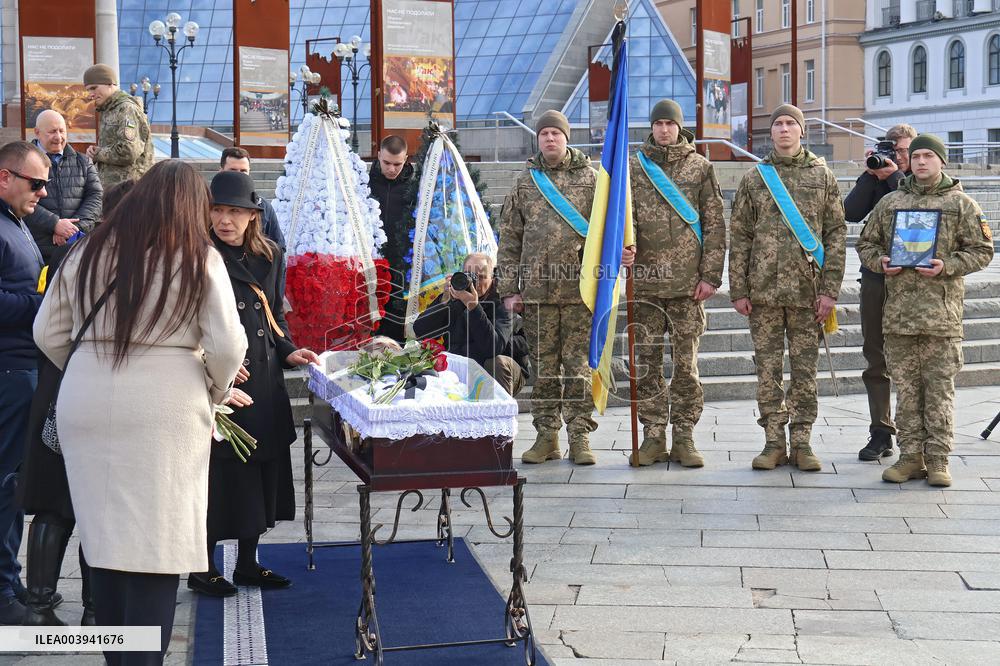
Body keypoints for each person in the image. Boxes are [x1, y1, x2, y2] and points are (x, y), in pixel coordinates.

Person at [33, 160, 247, 664]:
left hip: (85, 401)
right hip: (164, 406)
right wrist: (213, 392)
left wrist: (90, 367)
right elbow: (227, 345)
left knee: (103, 538)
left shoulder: (86, 249)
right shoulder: (196, 256)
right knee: (156, 543)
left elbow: (46, 332)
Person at [187, 171, 319, 598]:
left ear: (252, 217)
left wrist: (289, 351)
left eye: (235, 212)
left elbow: (272, 318)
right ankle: (201, 566)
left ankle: (248, 563)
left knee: (260, 469)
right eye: (218, 210)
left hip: (262, 376)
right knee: (220, 475)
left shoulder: (270, 255)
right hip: (220, 382)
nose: (225, 220)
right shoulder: (197, 254)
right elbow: (186, 323)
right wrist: (211, 365)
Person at [18, 178, 135, 627]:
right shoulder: (136, 262)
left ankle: (41, 603)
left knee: (56, 501)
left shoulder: (74, 252)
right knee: (93, 504)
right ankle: (94, 610)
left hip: (59, 384)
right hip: (103, 391)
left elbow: (47, 329)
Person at [856, 134, 994, 487]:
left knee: (939, 392)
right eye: (915, 156)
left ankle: (938, 460)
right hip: (899, 316)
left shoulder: (960, 204)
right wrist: (880, 261)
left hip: (940, 318)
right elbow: (866, 243)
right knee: (907, 392)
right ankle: (910, 457)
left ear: (942, 161)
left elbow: (982, 250)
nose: (920, 162)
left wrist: (946, 265)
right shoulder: (892, 202)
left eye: (928, 156)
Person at [728, 104, 847, 472]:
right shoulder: (755, 178)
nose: (783, 130)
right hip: (762, 293)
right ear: (772, 133)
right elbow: (742, 235)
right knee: (767, 370)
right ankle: (773, 442)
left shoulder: (822, 177)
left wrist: (830, 291)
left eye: (789, 124)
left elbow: (836, 234)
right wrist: (739, 289)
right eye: (777, 124)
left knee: (804, 371)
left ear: (801, 131)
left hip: (807, 293)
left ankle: (803, 442)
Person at [626, 99, 726, 468]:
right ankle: (653, 436)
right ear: (651, 128)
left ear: (680, 127)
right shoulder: (635, 168)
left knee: (686, 367)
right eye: (658, 124)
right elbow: (623, 218)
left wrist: (711, 276)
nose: (664, 130)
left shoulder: (700, 167)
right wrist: (624, 251)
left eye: (670, 124)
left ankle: (684, 435)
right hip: (647, 283)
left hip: (688, 286)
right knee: (647, 363)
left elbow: (715, 223)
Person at [497, 110, 599, 465]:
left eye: (556, 133)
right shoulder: (525, 184)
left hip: (579, 293)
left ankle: (580, 436)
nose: (550, 139)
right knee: (542, 368)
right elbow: (509, 239)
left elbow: (606, 232)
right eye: (544, 134)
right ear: (537, 140)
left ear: (567, 138)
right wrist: (510, 288)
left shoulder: (591, 179)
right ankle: (546, 436)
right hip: (537, 296)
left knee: (577, 368)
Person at [843, 124, 917, 461]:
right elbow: (851, 212)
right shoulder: (878, 175)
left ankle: (919, 435)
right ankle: (881, 432)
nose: (898, 157)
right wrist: (871, 175)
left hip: (917, 282)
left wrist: (891, 177)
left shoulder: (920, 181)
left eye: (904, 151)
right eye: (893, 150)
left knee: (916, 361)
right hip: (876, 277)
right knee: (876, 356)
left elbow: (913, 209)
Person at [0, 141, 50, 625]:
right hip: (9, 372)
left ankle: (8, 579)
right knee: (6, 485)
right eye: (35, 184)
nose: (42, 193)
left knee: (14, 485)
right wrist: (44, 306)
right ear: (5, 177)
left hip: (23, 368)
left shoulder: (16, 223)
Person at [412, 252, 530, 397]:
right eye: (470, 276)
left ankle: (498, 414)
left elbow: (492, 348)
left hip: (502, 369)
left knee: (496, 362)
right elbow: (420, 330)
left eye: (482, 277)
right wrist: (443, 302)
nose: (476, 283)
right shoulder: (456, 296)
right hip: (464, 365)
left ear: (492, 278)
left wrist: (473, 307)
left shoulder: (504, 301)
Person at [24, 110, 103, 263]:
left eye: (62, 131)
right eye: (52, 132)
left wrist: (72, 230)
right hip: (36, 250)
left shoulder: (83, 162)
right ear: (37, 132)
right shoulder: (24, 162)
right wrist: (54, 224)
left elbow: (96, 197)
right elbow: (18, 199)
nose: (58, 137)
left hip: (75, 249)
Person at [218, 147, 287, 297]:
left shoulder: (264, 207)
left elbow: (278, 250)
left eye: (243, 171)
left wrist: (276, 296)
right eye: (233, 170)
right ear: (221, 170)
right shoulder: (206, 204)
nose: (239, 175)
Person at [369, 135, 416, 343]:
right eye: (386, 162)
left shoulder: (414, 187)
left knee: (397, 323)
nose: (391, 169)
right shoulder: (364, 181)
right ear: (378, 155)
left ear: (406, 159)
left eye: (397, 164)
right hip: (371, 261)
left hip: (402, 264)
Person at [83, 64, 154, 188]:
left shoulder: (126, 109)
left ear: (110, 83)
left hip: (129, 190)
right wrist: (97, 152)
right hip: (116, 190)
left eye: (94, 88)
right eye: (88, 90)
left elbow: (128, 151)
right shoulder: (110, 109)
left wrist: (98, 154)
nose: (91, 94)